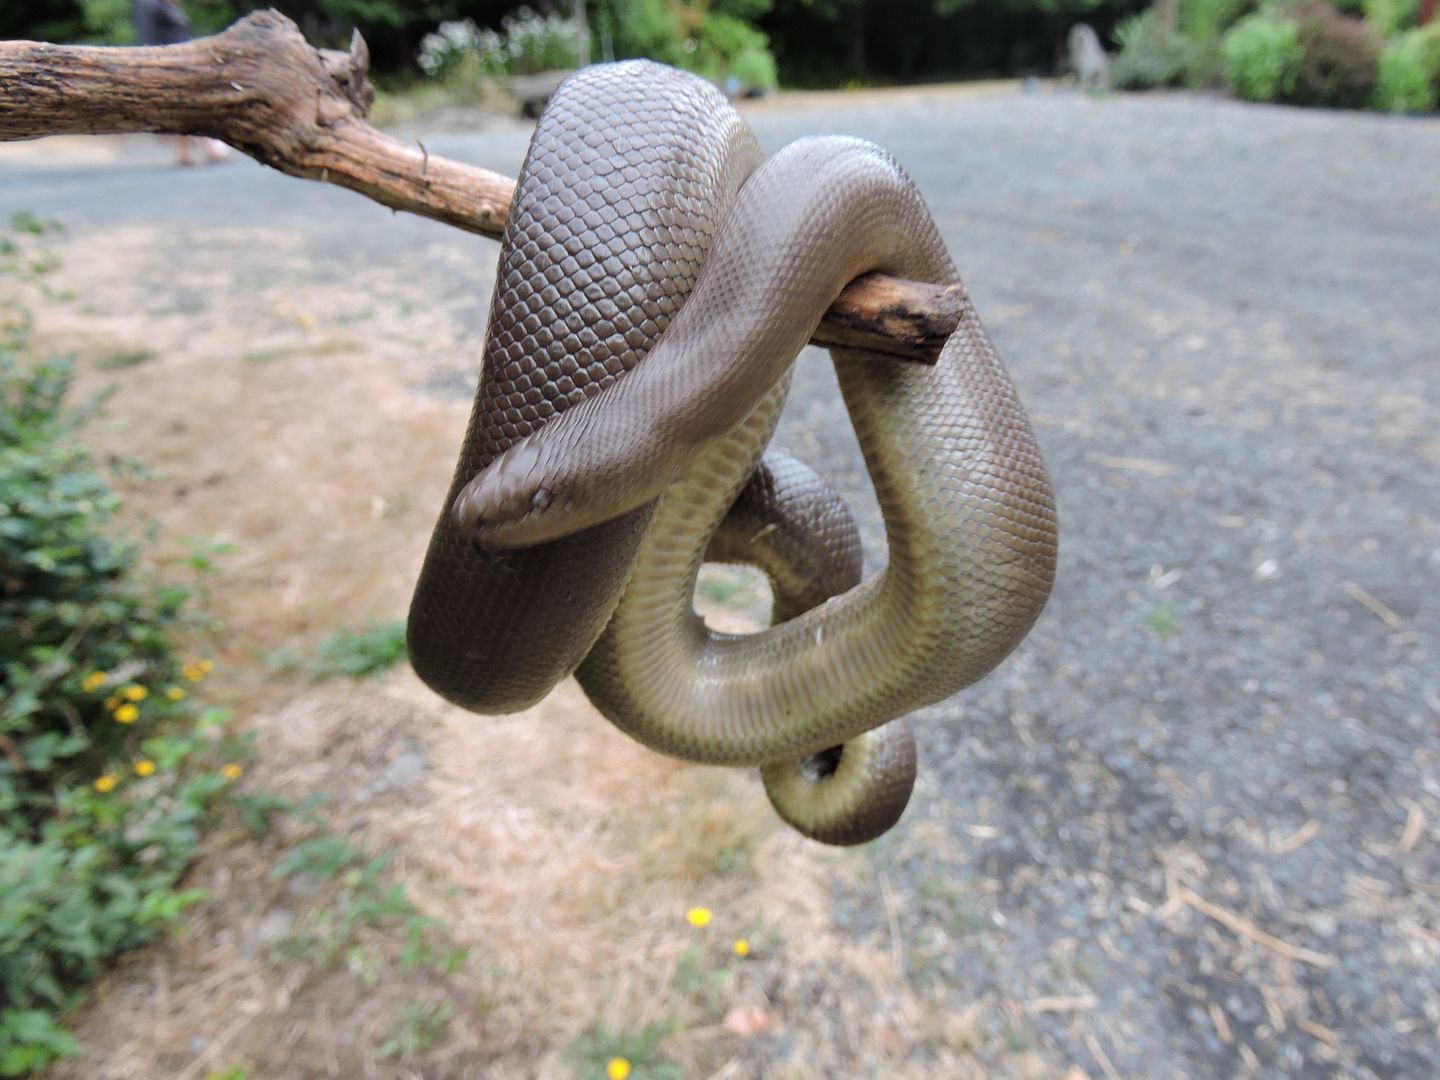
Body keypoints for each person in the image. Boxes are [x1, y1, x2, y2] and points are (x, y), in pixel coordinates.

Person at [131, 0, 231, 166]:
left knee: (188, 108)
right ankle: (203, 150)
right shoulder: (149, 6)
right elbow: (148, 36)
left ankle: (193, 152)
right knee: (188, 107)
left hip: (184, 62)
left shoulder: (171, 8)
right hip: (169, 64)